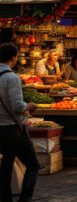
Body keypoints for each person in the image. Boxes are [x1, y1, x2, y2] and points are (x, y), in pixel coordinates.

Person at [0, 43, 39, 202]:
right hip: (13, 130)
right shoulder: (12, 77)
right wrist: (29, 106)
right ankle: (25, 198)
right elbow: (17, 106)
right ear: (14, 57)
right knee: (33, 165)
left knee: (6, 166)